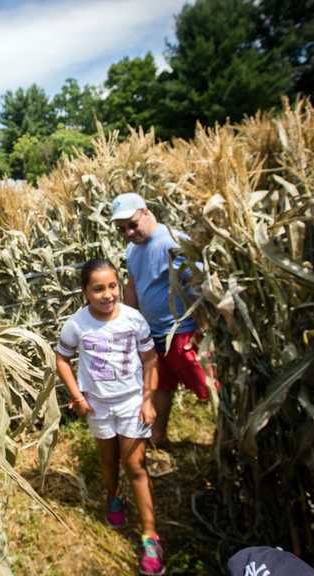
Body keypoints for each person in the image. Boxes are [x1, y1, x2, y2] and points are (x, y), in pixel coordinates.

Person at [55, 258, 165, 576]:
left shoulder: (133, 320)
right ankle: (114, 497)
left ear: (119, 285)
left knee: (135, 466)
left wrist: (148, 400)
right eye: (98, 288)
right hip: (98, 405)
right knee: (108, 459)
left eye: (112, 286)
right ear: (85, 292)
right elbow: (62, 359)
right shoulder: (77, 324)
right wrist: (77, 396)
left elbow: (149, 359)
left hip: (131, 402)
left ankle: (149, 537)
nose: (107, 294)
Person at [111, 192, 213, 447]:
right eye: (122, 229)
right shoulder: (133, 250)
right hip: (154, 335)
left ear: (146, 212)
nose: (129, 233)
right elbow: (133, 286)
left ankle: (227, 438)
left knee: (208, 387)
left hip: (182, 332)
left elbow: (196, 284)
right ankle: (159, 438)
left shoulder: (173, 241)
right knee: (161, 388)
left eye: (133, 225)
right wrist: (127, 324)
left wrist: (202, 327)